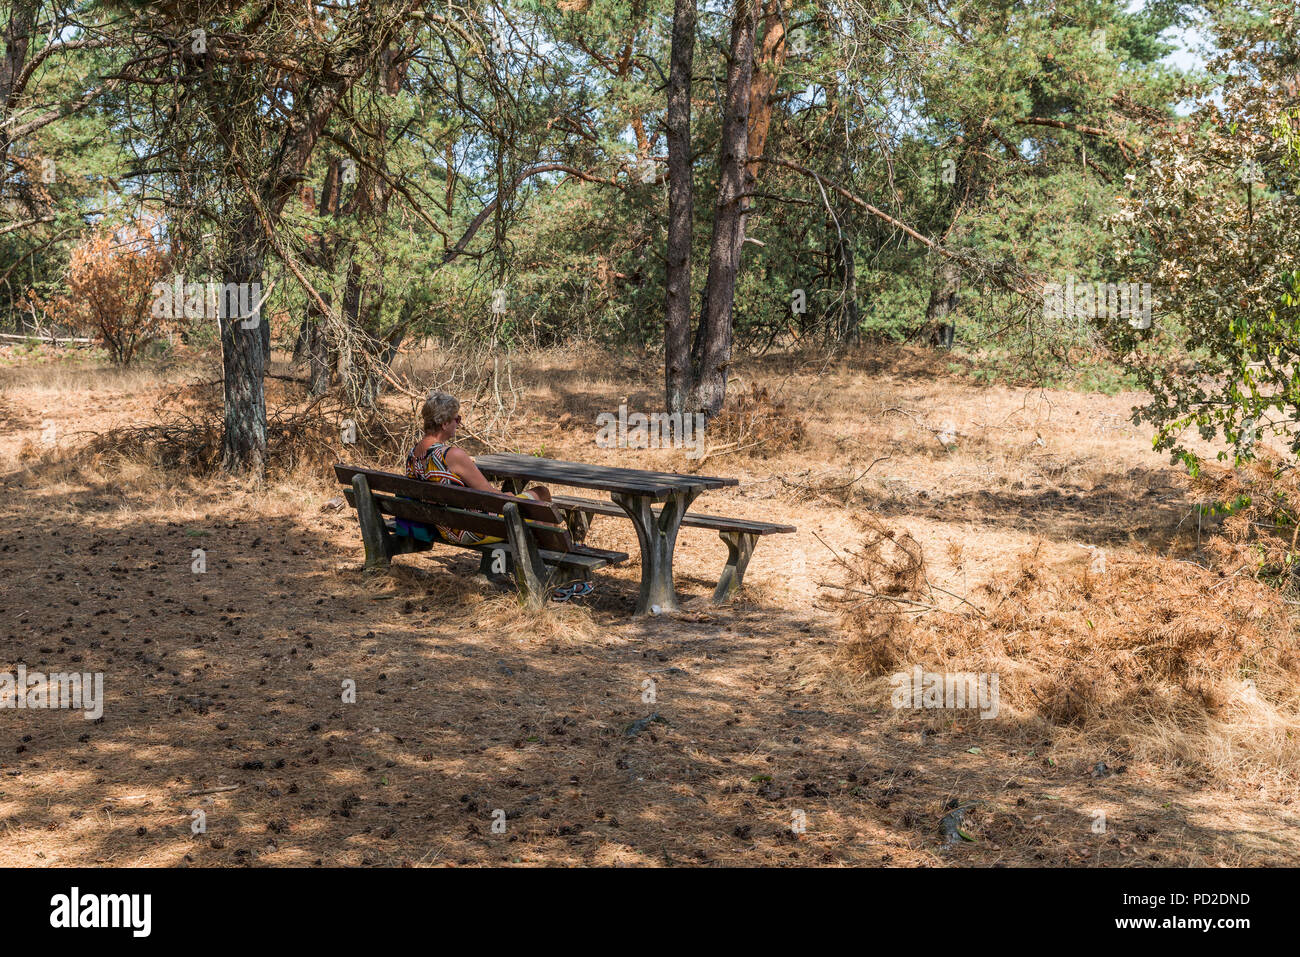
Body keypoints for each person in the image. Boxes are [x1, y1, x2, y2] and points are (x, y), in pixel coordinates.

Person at [405, 392, 592, 601]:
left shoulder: (414, 453)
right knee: (541, 493)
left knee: (528, 504)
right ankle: (554, 573)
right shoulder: (452, 455)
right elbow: (491, 495)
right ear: (444, 423)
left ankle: (550, 568)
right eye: (457, 418)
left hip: (444, 527)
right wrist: (509, 495)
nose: (459, 423)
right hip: (472, 529)